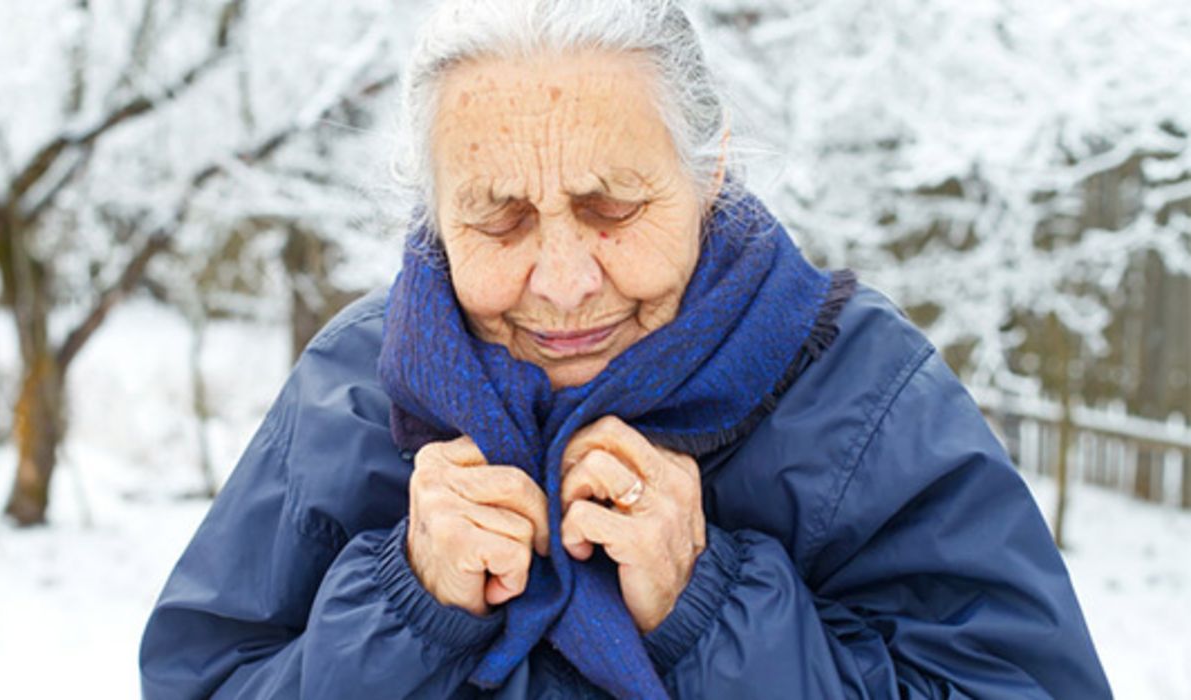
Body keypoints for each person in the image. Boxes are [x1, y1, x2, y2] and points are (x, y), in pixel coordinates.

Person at [139, 1, 1112, 697]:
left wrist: (716, 610)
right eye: (500, 218)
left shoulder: (860, 394)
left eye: (613, 208)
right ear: (433, 212)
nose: (563, 280)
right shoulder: (352, 386)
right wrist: (402, 609)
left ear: (709, 169)